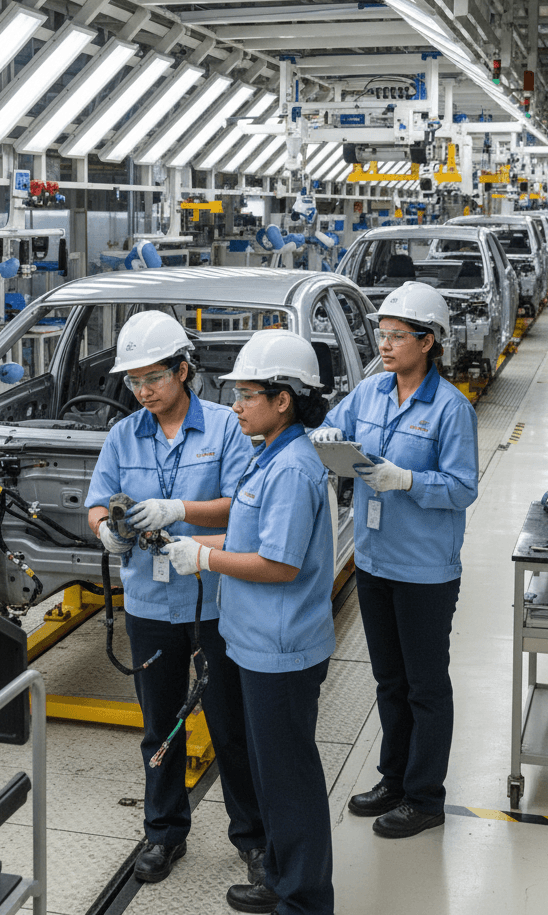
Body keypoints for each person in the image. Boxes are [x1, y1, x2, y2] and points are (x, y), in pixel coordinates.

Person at [84, 311, 266, 886]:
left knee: (230, 724)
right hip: (148, 604)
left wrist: (178, 510)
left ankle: (253, 838)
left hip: (213, 600)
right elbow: (96, 501)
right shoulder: (122, 434)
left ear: (183, 371)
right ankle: (164, 833)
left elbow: (242, 506)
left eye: (153, 378)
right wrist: (103, 530)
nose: (142, 391)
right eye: (133, 381)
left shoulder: (225, 427)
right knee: (160, 724)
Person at [163, 329, 335, 915]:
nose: (233, 405)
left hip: (281, 650)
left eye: (246, 394)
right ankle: (284, 879)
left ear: (283, 398)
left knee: (289, 780)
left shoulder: (290, 468)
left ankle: (303, 899)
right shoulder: (274, 454)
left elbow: (279, 564)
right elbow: (248, 535)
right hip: (258, 645)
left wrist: (205, 559)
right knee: (274, 775)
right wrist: (181, 536)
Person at [311, 281, 478, 839]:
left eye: (396, 336)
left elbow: (461, 487)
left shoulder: (451, 409)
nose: (384, 344)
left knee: (425, 685)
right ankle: (394, 778)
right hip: (375, 560)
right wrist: (330, 435)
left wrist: (407, 479)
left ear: (428, 342)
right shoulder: (371, 392)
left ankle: (425, 796)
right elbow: (337, 426)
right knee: (388, 680)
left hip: (426, 570)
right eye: (380, 334)